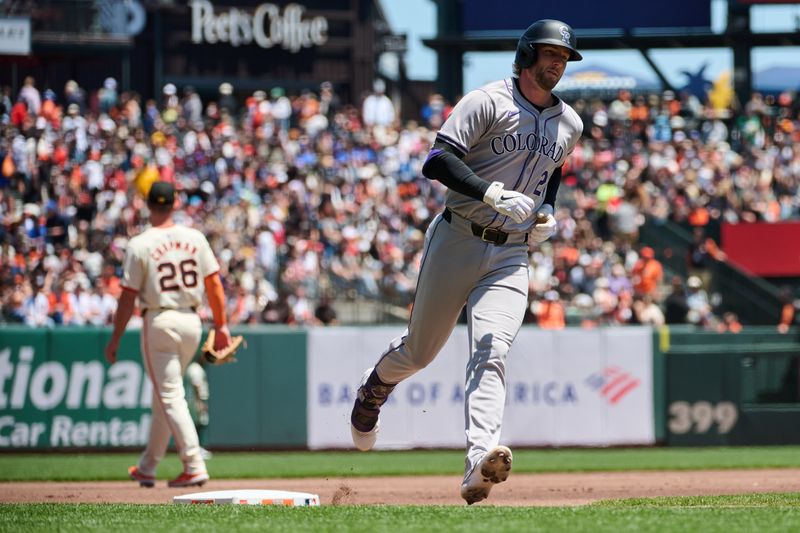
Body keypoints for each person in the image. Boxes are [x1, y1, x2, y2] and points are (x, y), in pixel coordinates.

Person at [349, 19, 583, 505]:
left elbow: (552, 172)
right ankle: (374, 390)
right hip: (458, 236)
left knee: (492, 351)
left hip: (512, 253)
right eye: (548, 54)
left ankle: (479, 463)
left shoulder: (571, 124)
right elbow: (437, 159)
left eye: (563, 58)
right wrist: (489, 191)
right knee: (420, 352)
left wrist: (548, 210)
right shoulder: (487, 101)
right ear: (525, 54)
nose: (556, 63)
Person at [104, 181, 233, 488]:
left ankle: (193, 463)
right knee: (165, 392)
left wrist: (116, 338)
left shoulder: (140, 244)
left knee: (169, 393)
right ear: (176, 201)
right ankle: (148, 467)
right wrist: (222, 324)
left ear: (147, 205)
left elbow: (127, 297)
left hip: (160, 319)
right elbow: (214, 285)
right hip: (192, 321)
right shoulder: (194, 237)